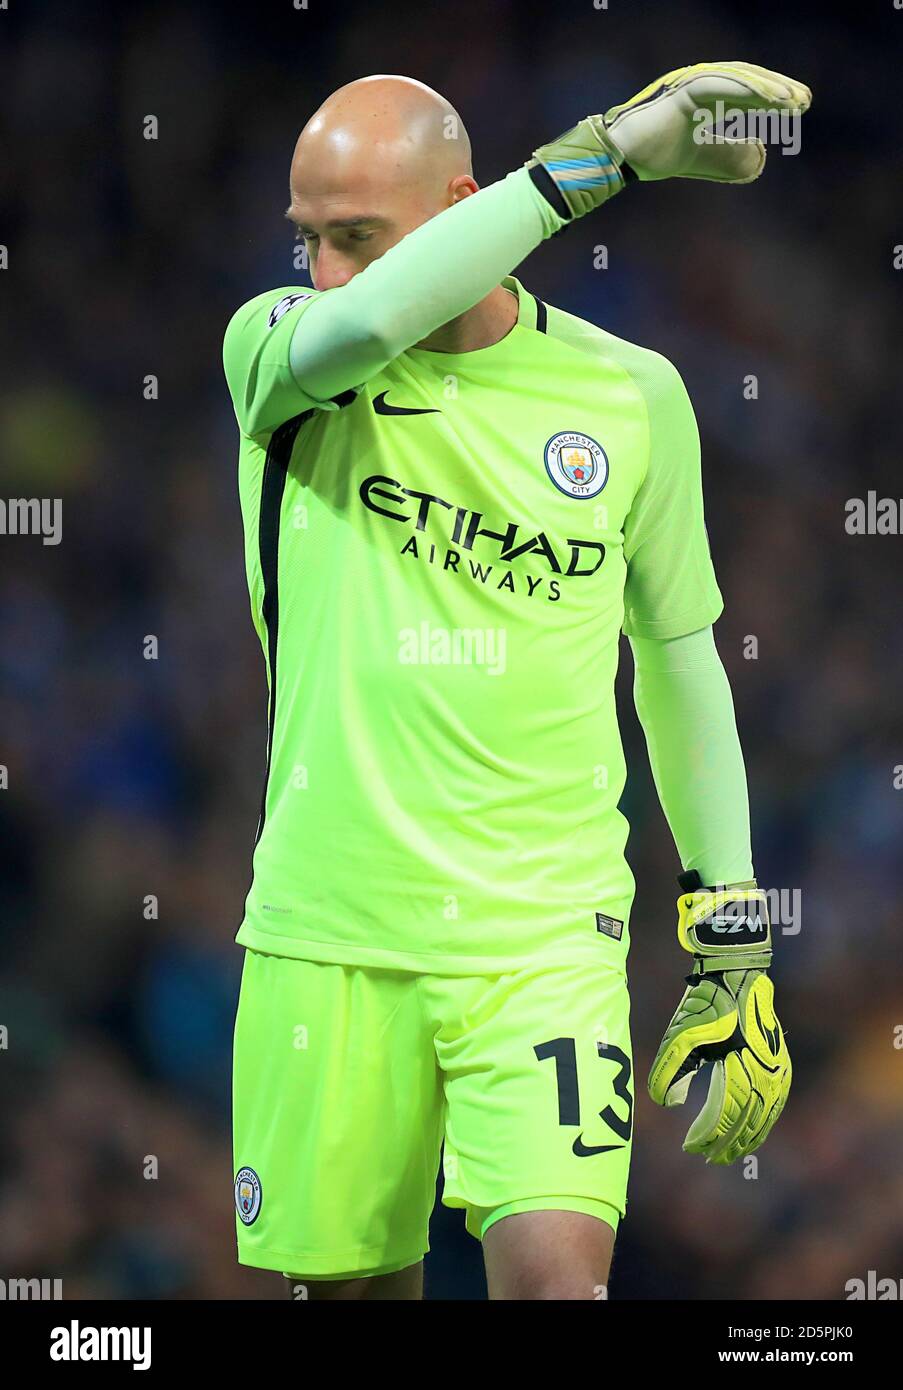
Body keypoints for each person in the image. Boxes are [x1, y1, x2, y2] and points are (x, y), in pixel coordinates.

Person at [224, 64, 808, 1300]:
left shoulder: (632, 395)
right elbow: (365, 323)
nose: (326, 268)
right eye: (310, 239)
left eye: (360, 237)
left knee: (558, 1285)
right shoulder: (279, 356)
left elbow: (680, 656)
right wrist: (613, 156)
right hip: (330, 934)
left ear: (462, 204)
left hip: (543, 935)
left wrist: (734, 936)